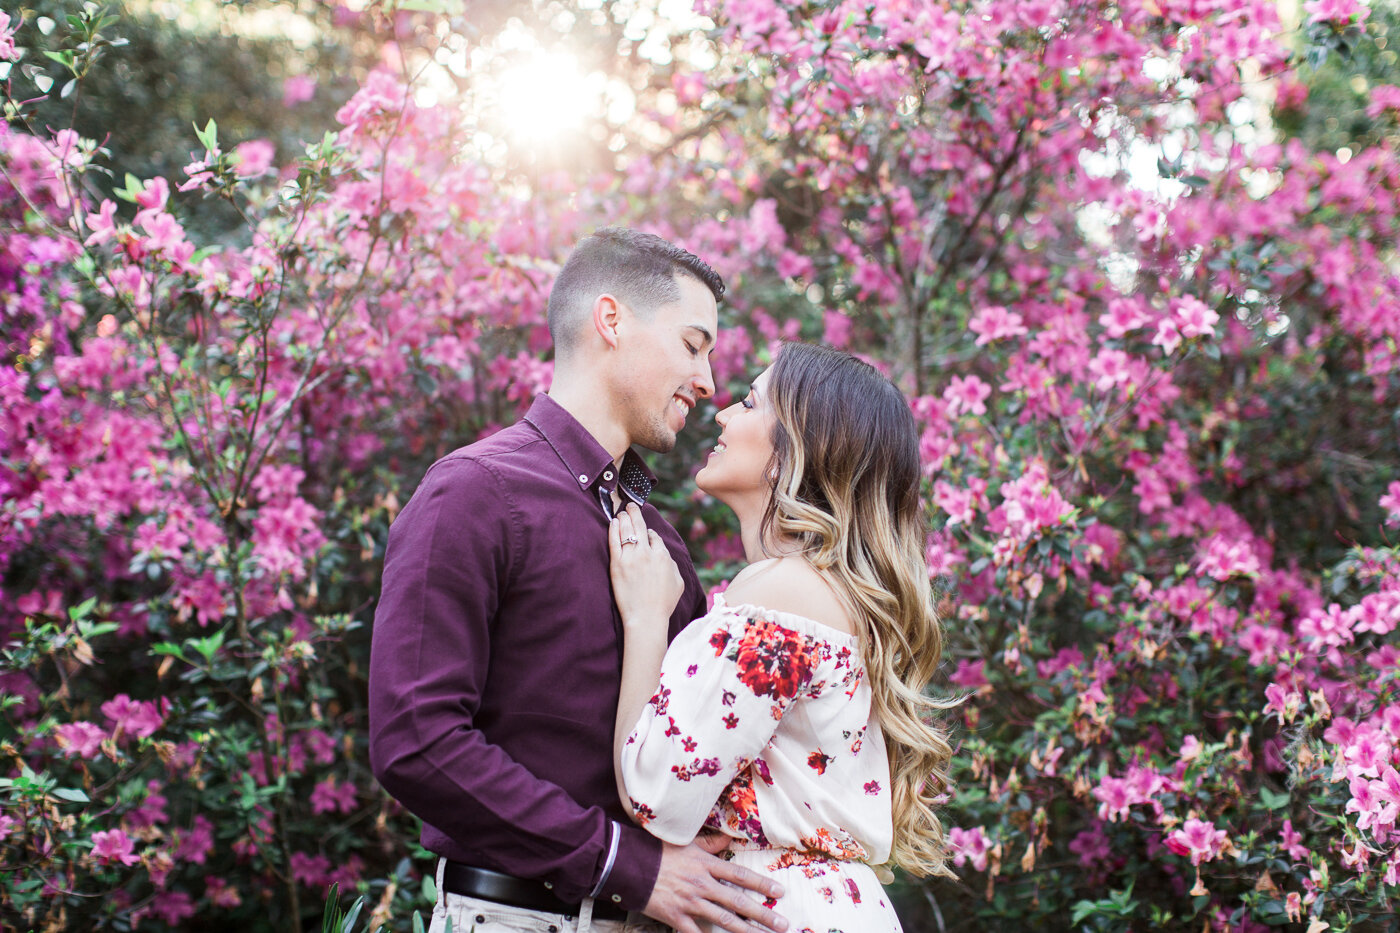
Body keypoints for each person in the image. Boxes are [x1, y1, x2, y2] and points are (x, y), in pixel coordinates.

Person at [368, 227, 788, 933]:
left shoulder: (663, 549)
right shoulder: (473, 492)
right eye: (693, 344)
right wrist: (625, 865)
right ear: (611, 319)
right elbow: (416, 738)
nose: (709, 381)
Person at [607, 343, 957, 932]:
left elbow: (657, 793)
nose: (721, 414)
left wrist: (644, 619)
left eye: (748, 402)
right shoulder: (837, 596)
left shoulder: (780, 592)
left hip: (774, 909)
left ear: (795, 449)